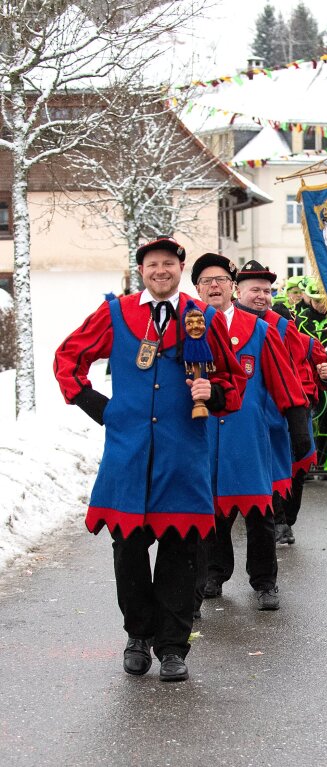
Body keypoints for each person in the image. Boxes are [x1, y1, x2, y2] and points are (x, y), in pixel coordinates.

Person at [54, 237, 247, 682]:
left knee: (182, 553)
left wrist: (213, 392)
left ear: (181, 267)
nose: (160, 271)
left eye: (168, 263)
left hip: (183, 455)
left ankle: (173, 647)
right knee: (129, 551)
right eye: (151, 264)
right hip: (128, 455)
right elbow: (68, 358)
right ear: (142, 270)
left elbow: (234, 380)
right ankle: (138, 636)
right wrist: (99, 406)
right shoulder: (118, 313)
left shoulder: (207, 319)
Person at [191, 253, 310, 612]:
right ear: (197, 288)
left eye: (221, 280)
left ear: (232, 286)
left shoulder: (259, 330)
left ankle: (264, 581)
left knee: (259, 513)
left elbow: (283, 381)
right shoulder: (187, 329)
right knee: (212, 514)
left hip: (250, 438)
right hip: (203, 437)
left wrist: (298, 424)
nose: (215, 286)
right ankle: (214, 574)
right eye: (206, 281)